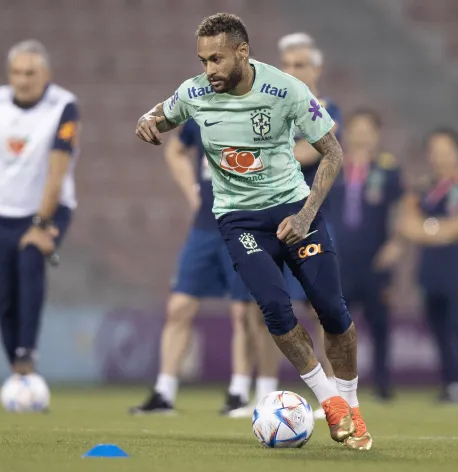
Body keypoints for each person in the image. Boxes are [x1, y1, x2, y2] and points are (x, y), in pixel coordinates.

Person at [135, 13, 372, 450]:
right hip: (238, 218)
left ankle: (352, 403)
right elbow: (163, 114)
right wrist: (147, 120)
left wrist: (304, 216)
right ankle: (331, 405)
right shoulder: (196, 92)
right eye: (203, 60)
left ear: (243, 53)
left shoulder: (286, 91)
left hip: (294, 209)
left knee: (332, 312)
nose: (209, 70)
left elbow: (333, 154)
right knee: (273, 308)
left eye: (217, 59)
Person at [243, 32, 345, 418]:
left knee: (323, 309)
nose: (292, 72)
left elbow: (308, 151)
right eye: (286, 65)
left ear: (316, 69)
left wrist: (264, 157)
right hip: (268, 218)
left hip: (312, 219)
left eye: (300, 65)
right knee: (263, 307)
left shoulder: (326, 108)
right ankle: (265, 390)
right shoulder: (272, 102)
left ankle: (334, 392)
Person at [0, 40, 79, 374]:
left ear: (46, 75)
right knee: (5, 295)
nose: (23, 80)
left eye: (30, 73)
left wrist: (42, 223)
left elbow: (58, 170)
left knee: (30, 259)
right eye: (16, 72)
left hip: (51, 207)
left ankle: (27, 354)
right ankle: (17, 365)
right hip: (5, 209)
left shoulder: (63, 106)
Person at [130, 118, 255, 416]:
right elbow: (175, 150)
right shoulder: (200, 114)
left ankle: (238, 392)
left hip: (244, 224)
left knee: (244, 311)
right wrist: (193, 193)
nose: (213, 70)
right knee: (179, 306)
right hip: (205, 228)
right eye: (209, 66)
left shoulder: (255, 110)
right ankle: (164, 391)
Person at [398, 127, 458, 403]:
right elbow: (407, 226)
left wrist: (430, 228)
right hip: (429, 270)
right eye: (435, 151)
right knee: (436, 329)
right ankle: (450, 383)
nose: (439, 157)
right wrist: (444, 229)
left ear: (456, 152)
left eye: (445, 151)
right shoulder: (422, 189)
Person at [325, 109, 404, 403]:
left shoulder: (388, 170)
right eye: (355, 128)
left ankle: (382, 384)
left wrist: (397, 243)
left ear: (376, 135)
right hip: (338, 258)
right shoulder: (333, 165)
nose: (360, 135)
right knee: (334, 323)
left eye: (367, 129)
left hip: (375, 260)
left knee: (380, 324)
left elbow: (400, 209)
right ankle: (336, 385)